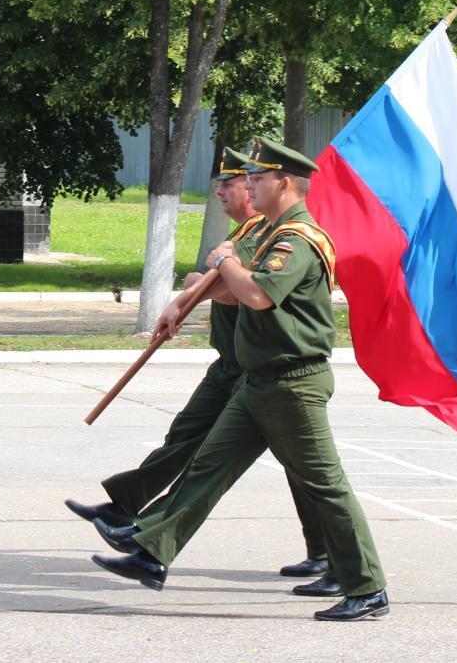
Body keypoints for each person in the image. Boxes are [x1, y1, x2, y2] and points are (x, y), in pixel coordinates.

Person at [92, 138, 390, 622]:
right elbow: (235, 295)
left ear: (285, 183)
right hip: (259, 381)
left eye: (257, 178)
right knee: (209, 468)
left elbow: (257, 296)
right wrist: (201, 290)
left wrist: (224, 259)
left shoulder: (297, 239)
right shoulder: (272, 234)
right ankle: (152, 553)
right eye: (246, 178)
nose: (249, 185)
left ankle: (367, 586)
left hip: (293, 382)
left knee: (326, 485)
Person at [67, 146, 329, 580]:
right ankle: (138, 529)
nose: (230, 191)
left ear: (268, 186)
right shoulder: (251, 233)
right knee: (195, 445)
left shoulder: (267, 237)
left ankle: (337, 560)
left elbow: (244, 291)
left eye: (239, 182)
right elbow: (221, 285)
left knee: (301, 472)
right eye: (231, 182)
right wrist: (188, 295)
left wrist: (202, 281)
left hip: (266, 370)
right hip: (237, 363)